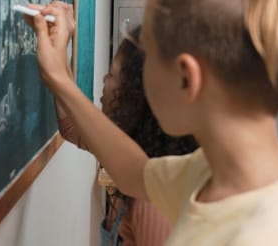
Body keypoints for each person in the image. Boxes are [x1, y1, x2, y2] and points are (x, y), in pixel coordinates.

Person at [25, 0, 278, 245]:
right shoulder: (217, 170)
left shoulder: (271, 235)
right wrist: (58, 76)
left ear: (186, 79)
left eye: (150, 56)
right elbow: (133, 172)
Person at [56, 27, 198, 246]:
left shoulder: (152, 202)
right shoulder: (134, 147)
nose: (104, 79)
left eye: (112, 74)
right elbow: (71, 127)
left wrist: (55, 71)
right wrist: (59, 58)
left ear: (135, 94)